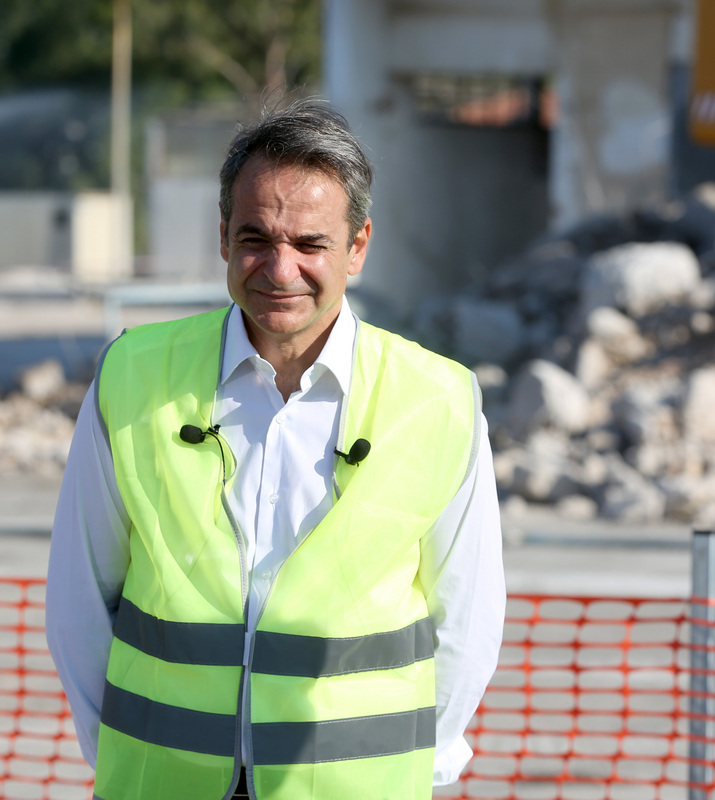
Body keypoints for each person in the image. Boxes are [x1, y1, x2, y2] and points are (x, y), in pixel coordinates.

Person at [46, 99, 506, 800]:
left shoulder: (439, 398)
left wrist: (416, 767)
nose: (280, 269)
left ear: (358, 247)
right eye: (255, 237)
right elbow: (79, 600)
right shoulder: (132, 375)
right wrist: (119, 748)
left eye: (310, 244)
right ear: (223, 237)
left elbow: (467, 618)